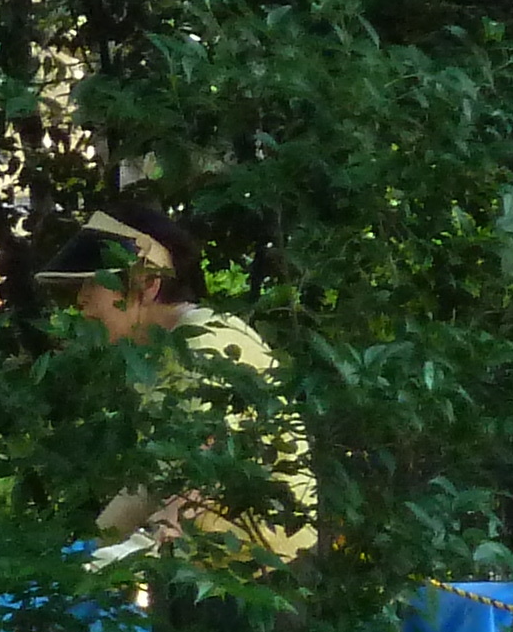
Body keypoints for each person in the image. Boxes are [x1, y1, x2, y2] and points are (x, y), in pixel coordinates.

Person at [29, 200, 315, 561]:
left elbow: (207, 472)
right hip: (218, 572)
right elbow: (156, 479)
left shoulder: (204, 343)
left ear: (147, 284)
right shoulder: (154, 356)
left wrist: (133, 554)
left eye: (95, 282)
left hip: (268, 578)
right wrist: (87, 551)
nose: (81, 299)